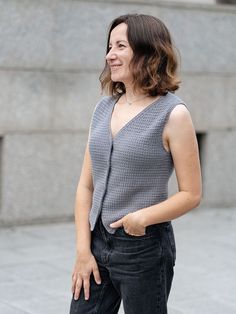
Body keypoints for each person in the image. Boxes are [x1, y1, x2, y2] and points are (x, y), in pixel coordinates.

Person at [69, 14, 202, 314]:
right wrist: (82, 249)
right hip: (96, 243)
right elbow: (86, 185)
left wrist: (141, 218)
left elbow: (191, 194)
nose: (109, 55)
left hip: (143, 247)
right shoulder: (103, 109)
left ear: (147, 51)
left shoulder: (174, 114)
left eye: (120, 46)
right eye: (109, 46)